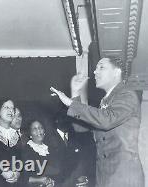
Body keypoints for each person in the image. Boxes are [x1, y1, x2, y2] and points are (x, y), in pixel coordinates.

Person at [50, 57, 144, 187]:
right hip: (105, 175)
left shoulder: (127, 94)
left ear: (117, 72)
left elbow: (106, 120)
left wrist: (70, 103)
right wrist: (75, 93)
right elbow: (81, 128)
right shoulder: (106, 101)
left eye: (101, 67)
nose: (94, 72)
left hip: (123, 176)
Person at [21, 120, 63, 187]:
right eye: (34, 129)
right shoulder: (26, 151)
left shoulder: (51, 150)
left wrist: (52, 182)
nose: (39, 130)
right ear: (30, 134)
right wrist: (40, 180)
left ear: (44, 132)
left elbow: (59, 173)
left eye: (41, 127)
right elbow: (22, 178)